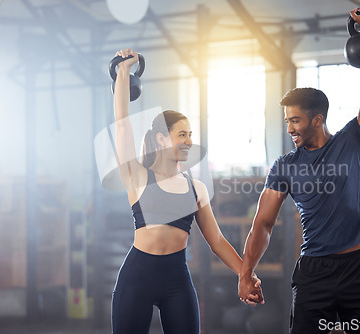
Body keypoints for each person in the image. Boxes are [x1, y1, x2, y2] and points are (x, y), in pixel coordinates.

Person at [238, 7, 360, 334]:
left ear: (317, 119)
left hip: (359, 269)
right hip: (314, 272)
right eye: (287, 121)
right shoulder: (285, 166)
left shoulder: (354, 141)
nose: (289, 128)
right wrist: (246, 272)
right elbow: (262, 223)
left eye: (295, 120)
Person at [110, 48, 262, 334]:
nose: (189, 141)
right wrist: (122, 73)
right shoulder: (139, 176)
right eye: (182, 134)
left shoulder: (197, 188)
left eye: (191, 135)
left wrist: (247, 274)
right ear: (160, 139)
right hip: (137, 276)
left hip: (176, 279)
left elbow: (216, 240)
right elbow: (122, 126)